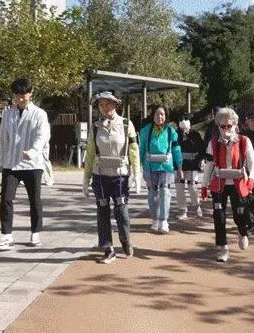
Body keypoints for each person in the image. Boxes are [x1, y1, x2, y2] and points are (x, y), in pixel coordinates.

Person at [82, 90, 141, 264]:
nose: (104, 107)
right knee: (102, 209)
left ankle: (125, 239)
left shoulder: (126, 124)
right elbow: (90, 153)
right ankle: (108, 248)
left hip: (120, 174)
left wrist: (137, 173)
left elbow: (134, 150)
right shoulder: (95, 127)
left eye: (108, 103)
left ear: (115, 104)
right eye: (101, 104)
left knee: (121, 208)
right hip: (100, 174)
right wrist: (86, 179)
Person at [0, 79, 51, 250]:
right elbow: (3, 139)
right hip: (11, 164)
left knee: (34, 200)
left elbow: (42, 136)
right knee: (6, 198)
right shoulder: (8, 115)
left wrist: (33, 151)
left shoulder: (39, 114)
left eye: (23, 95)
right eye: (17, 96)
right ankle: (6, 235)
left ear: (31, 93)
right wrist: (2, 162)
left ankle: (35, 233)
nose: (20, 99)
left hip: (32, 164)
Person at [200, 107, 254, 262]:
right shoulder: (213, 143)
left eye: (229, 126)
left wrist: (251, 178)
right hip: (219, 184)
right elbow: (209, 166)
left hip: (238, 183)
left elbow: (252, 163)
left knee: (240, 214)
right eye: (222, 126)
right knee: (219, 215)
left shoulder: (244, 141)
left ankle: (242, 231)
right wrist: (204, 185)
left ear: (235, 125)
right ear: (218, 126)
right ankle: (222, 248)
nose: (226, 129)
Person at [140, 106, 182, 234]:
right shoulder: (146, 130)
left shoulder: (171, 132)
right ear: (153, 116)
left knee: (164, 191)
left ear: (166, 116)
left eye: (162, 114)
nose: (160, 117)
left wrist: (179, 166)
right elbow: (141, 149)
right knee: (153, 194)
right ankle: (155, 219)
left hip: (166, 166)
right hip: (150, 166)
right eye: (157, 114)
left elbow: (176, 149)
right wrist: (140, 165)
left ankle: (164, 220)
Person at [176, 113, 205, 220]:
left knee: (192, 186)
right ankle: (183, 209)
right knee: (179, 187)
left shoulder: (195, 134)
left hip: (192, 163)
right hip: (178, 164)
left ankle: (197, 206)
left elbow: (202, 148)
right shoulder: (175, 133)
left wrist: (200, 160)